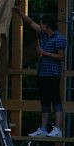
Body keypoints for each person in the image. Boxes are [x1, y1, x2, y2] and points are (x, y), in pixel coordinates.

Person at [13, 8, 66, 137]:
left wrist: (45, 53)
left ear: (47, 25)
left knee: (56, 100)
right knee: (45, 101)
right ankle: (43, 128)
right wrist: (20, 13)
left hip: (53, 73)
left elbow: (62, 56)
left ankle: (58, 129)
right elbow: (31, 23)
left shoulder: (58, 38)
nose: (40, 25)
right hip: (42, 72)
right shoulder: (42, 34)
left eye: (42, 23)